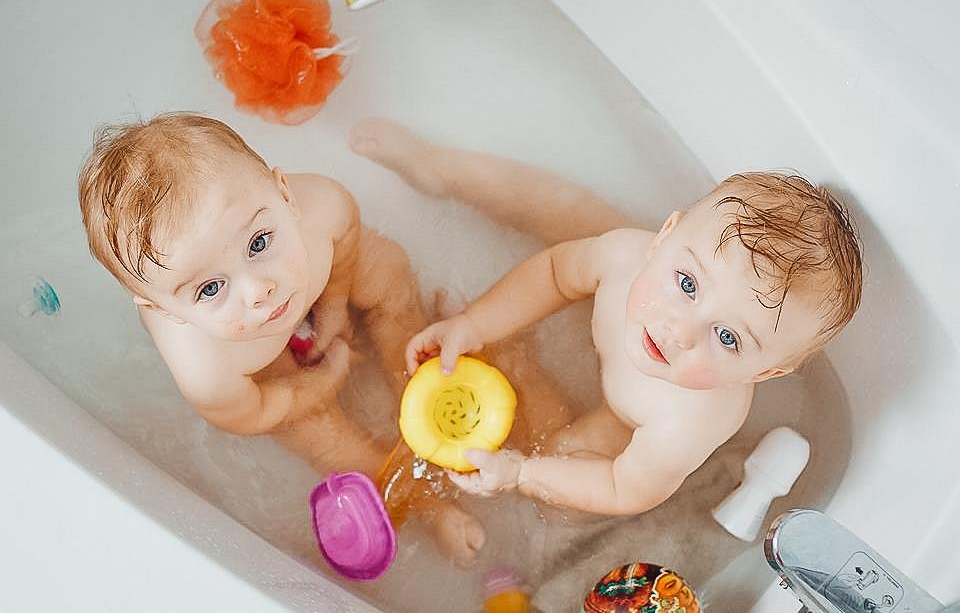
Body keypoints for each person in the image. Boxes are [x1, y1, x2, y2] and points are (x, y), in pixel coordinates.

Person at [349, 118, 863, 516]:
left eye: (727, 337)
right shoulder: (628, 257)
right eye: (687, 284)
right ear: (664, 235)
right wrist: (476, 324)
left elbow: (623, 488)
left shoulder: (686, 423)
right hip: (622, 278)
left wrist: (521, 473)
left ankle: (524, 373)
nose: (678, 330)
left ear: (763, 373)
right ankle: (441, 167)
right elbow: (554, 275)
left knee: (565, 451)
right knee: (559, 207)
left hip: (621, 419)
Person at [77, 112, 485, 566]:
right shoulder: (206, 369)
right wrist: (319, 385)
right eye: (210, 288)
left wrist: (334, 298)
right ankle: (429, 506)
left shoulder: (319, 208)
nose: (259, 291)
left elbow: (346, 241)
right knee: (314, 432)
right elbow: (251, 413)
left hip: (317, 279)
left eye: (258, 243)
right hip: (261, 363)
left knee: (386, 269)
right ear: (164, 310)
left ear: (284, 194)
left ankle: (421, 381)